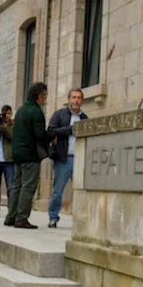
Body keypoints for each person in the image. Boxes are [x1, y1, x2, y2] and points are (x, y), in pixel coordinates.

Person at [6, 82, 55, 229]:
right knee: (28, 186)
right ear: (39, 96)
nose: (45, 98)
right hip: (30, 155)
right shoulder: (36, 111)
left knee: (16, 185)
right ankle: (21, 218)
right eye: (44, 95)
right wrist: (52, 136)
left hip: (17, 154)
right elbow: (40, 134)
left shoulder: (20, 110)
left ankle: (11, 216)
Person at [47, 88, 88, 228]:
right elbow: (51, 131)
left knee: (81, 191)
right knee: (57, 191)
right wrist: (70, 129)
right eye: (73, 97)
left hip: (80, 159)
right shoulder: (59, 115)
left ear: (82, 101)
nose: (76, 100)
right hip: (63, 158)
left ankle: (81, 219)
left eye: (79, 98)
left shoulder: (84, 118)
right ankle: (53, 217)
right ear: (69, 99)